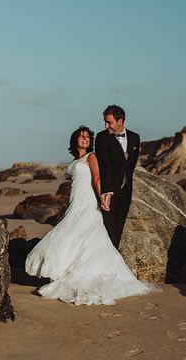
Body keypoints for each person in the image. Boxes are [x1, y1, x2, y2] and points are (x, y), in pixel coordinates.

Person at [25, 125, 154, 305]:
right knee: (74, 235)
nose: (85, 139)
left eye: (87, 136)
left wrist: (103, 198)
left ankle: (75, 273)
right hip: (75, 202)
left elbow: (97, 179)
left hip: (88, 203)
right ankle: (65, 271)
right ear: (75, 140)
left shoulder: (91, 157)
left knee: (78, 234)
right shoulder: (76, 159)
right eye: (81, 136)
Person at [95, 105, 140, 249]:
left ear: (120, 121)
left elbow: (130, 167)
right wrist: (106, 192)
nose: (106, 125)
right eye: (105, 122)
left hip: (126, 192)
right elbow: (104, 166)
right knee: (108, 232)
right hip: (109, 192)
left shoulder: (135, 137)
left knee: (118, 231)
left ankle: (114, 264)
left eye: (109, 122)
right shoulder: (102, 137)